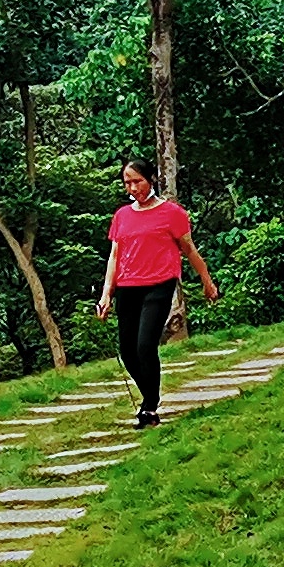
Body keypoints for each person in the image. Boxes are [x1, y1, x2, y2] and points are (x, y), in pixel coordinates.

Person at [93, 164, 216, 425]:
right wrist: (106, 295)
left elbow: (189, 249)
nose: (132, 188)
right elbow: (114, 256)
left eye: (137, 181)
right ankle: (151, 396)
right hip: (127, 287)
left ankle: (149, 407)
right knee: (128, 352)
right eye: (127, 183)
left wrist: (207, 281)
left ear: (151, 179)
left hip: (159, 284)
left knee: (145, 345)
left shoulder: (172, 213)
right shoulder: (122, 215)